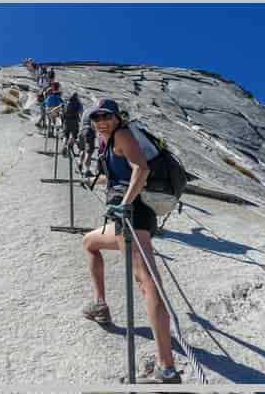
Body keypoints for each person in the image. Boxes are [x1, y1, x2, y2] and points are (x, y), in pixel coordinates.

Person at [81, 99, 181, 384]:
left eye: (106, 116)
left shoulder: (123, 135)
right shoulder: (111, 141)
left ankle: (167, 369)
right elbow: (124, 173)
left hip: (132, 217)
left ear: (116, 118)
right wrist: (97, 182)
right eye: (95, 117)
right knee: (90, 243)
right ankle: (100, 304)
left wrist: (124, 204)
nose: (100, 121)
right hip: (125, 217)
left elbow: (141, 169)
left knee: (147, 282)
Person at [78, 105, 97, 176]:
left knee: (82, 149)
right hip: (89, 131)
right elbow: (93, 123)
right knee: (89, 152)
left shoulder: (86, 111)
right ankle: (87, 170)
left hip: (81, 131)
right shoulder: (94, 112)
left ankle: (80, 164)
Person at [62, 93, 83, 157]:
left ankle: (65, 145)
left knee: (66, 135)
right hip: (74, 121)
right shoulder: (78, 103)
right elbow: (81, 113)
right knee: (74, 136)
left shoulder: (67, 102)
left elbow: (63, 111)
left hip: (66, 121)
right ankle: (70, 146)